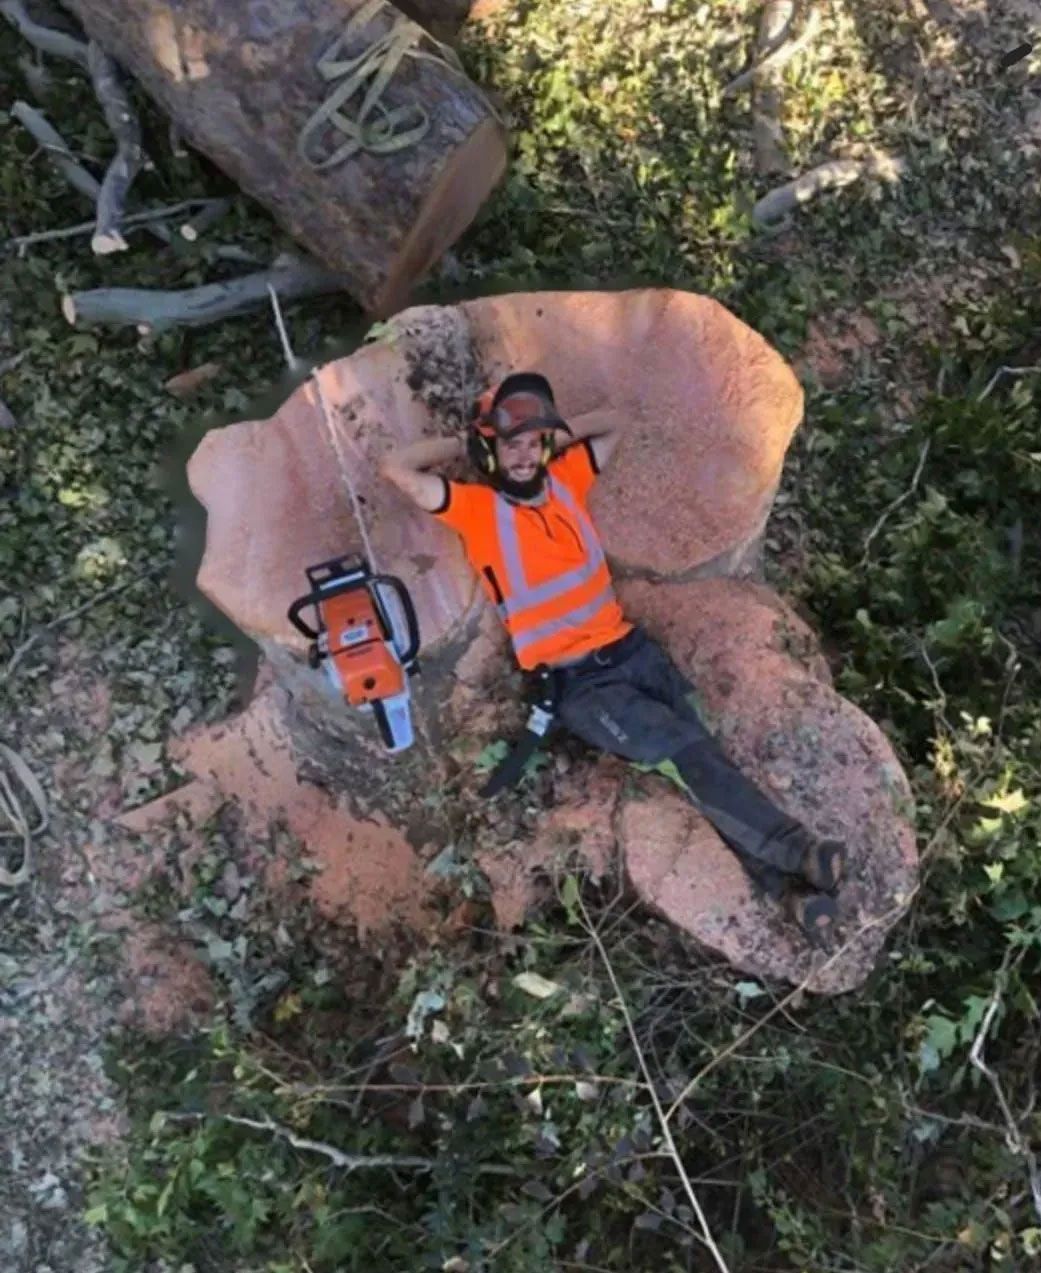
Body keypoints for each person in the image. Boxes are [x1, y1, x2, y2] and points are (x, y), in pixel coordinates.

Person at [380, 372, 846, 944]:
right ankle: (800, 852)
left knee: (704, 762)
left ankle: (789, 897)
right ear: (490, 450)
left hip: (632, 652)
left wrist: (549, 428)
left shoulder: (567, 478)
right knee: (691, 755)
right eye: (511, 446)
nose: (525, 456)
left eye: (534, 444)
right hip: (581, 688)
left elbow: (614, 421)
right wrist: (467, 443)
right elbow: (396, 470)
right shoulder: (477, 510)